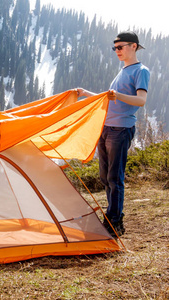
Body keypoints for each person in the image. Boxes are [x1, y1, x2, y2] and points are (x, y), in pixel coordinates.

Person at [76, 31, 150, 236]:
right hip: (106, 128)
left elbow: (141, 100)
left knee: (114, 177)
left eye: (120, 47)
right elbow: (109, 98)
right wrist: (85, 93)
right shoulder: (122, 71)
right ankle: (111, 215)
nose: (117, 51)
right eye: (114, 48)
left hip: (120, 129)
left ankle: (115, 221)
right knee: (104, 177)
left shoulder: (141, 71)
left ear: (133, 46)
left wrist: (119, 95)